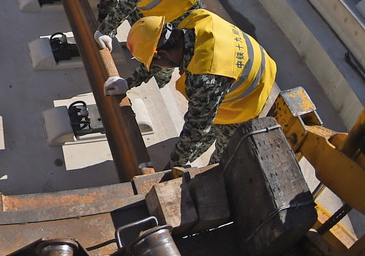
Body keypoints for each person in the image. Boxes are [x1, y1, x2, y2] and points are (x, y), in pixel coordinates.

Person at [104, 10, 276, 168]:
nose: (155, 66)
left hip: (252, 90)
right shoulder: (192, 21)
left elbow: (196, 130)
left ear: (162, 55)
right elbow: (160, 54)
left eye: (154, 62)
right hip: (251, 59)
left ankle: (215, 168)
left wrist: (171, 168)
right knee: (206, 125)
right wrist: (129, 82)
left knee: (224, 152)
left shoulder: (205, 78)